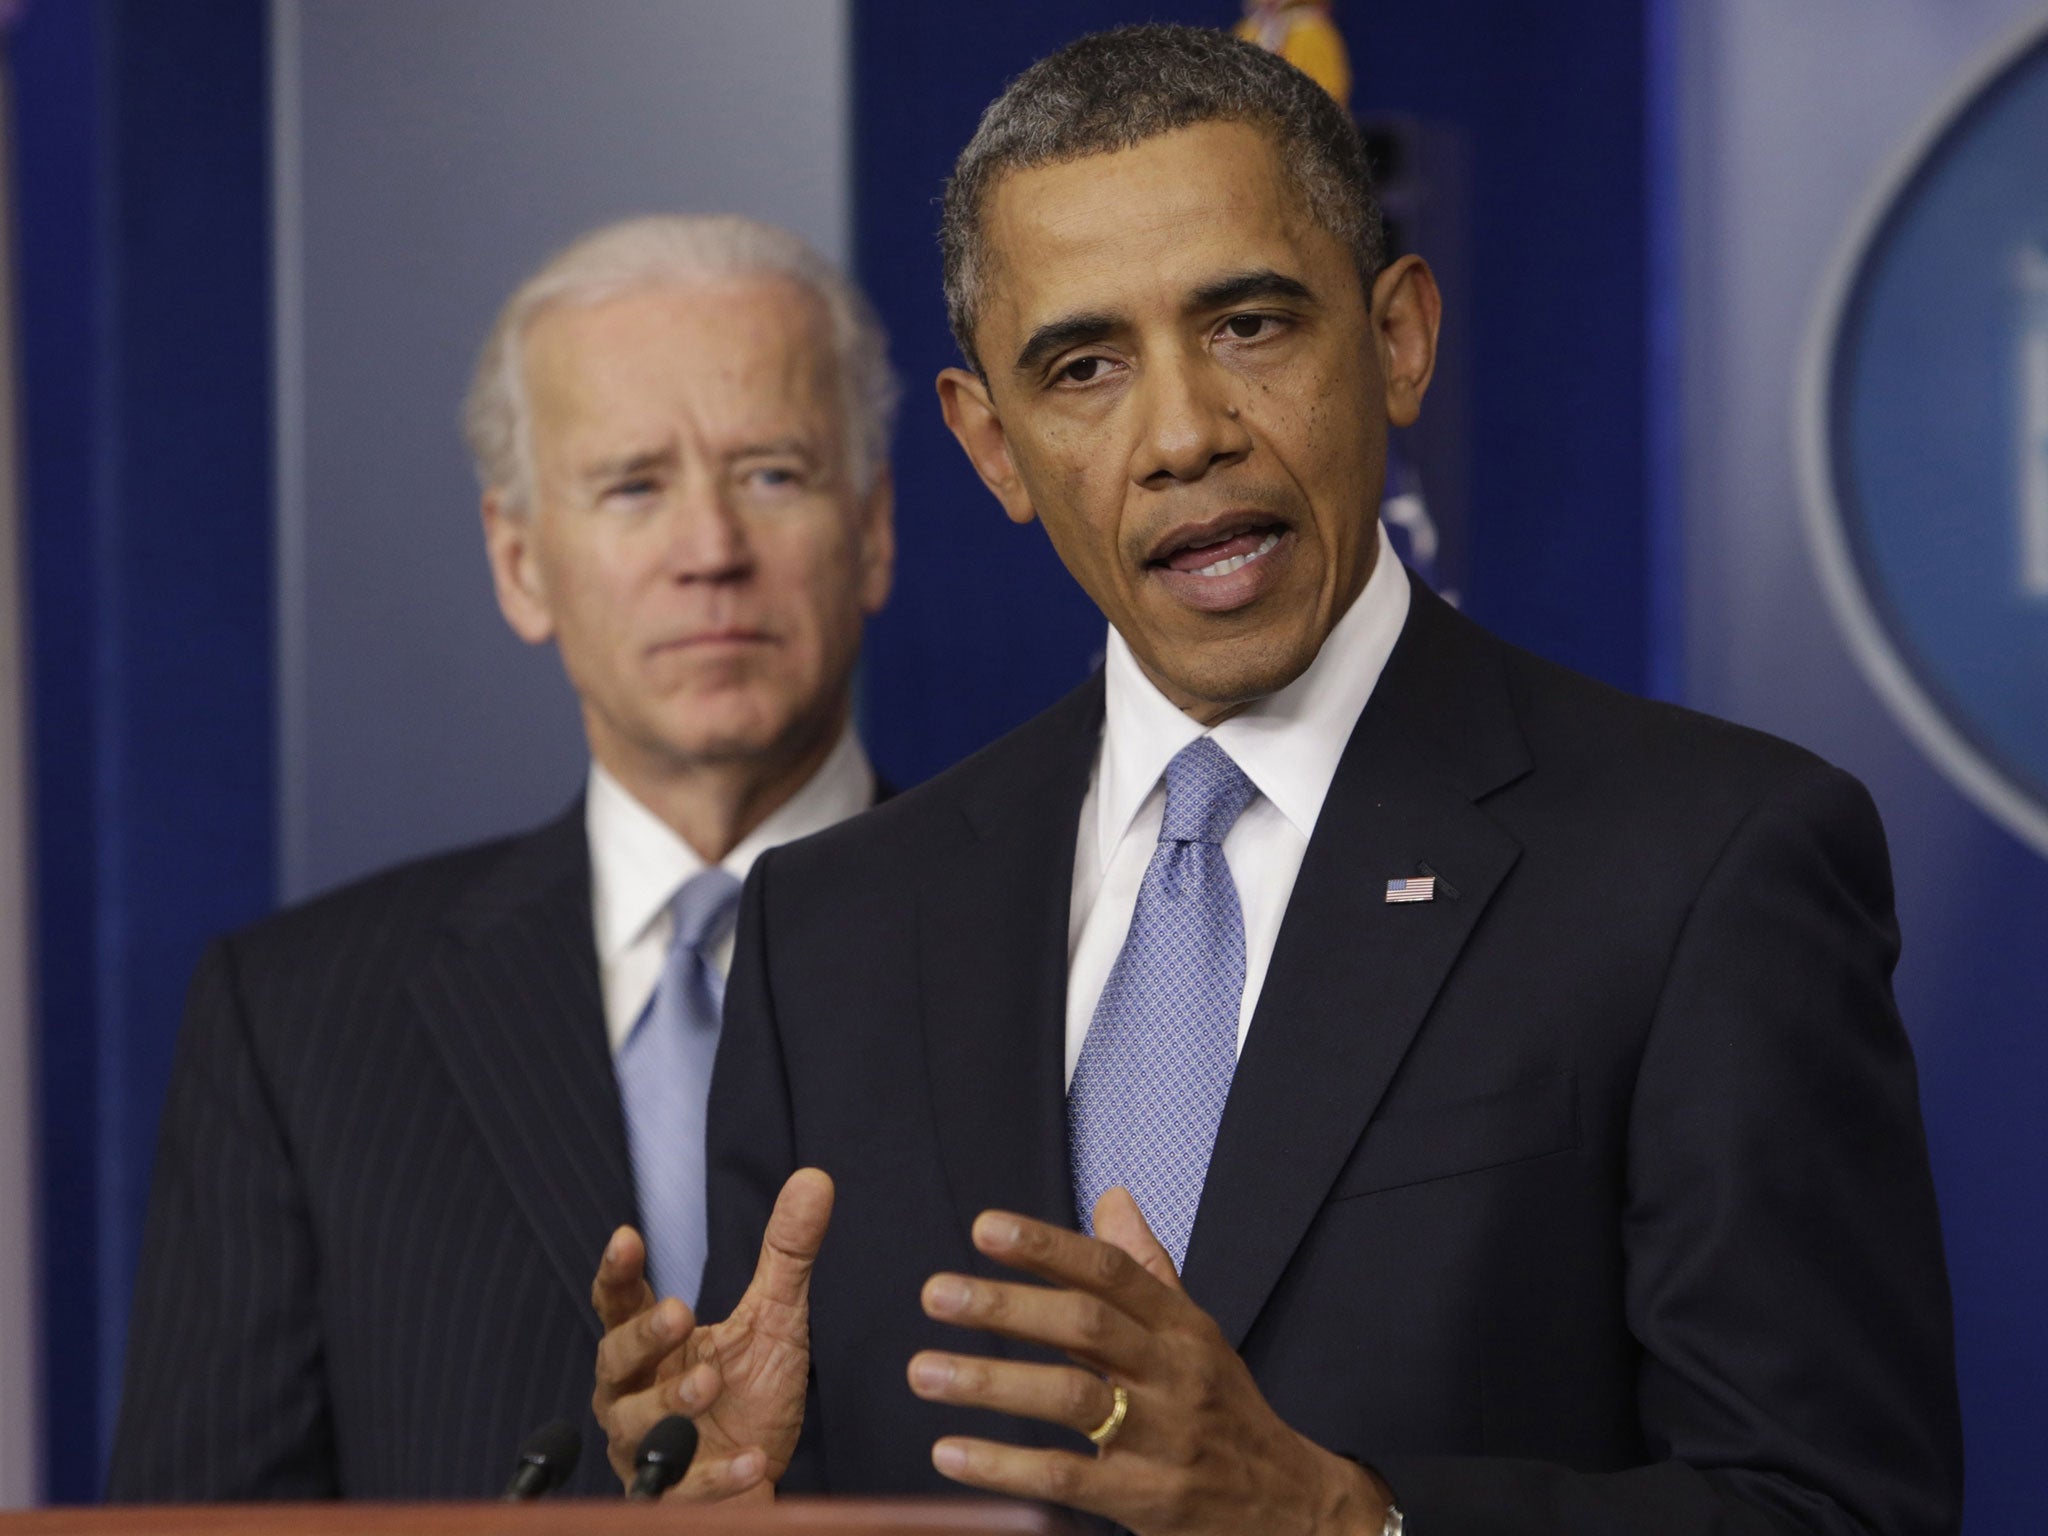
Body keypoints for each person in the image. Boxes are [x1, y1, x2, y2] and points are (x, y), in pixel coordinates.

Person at [591, 27, 1962, 1536]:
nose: (1184, 434)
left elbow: (1839, 1511)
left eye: (1248, 325)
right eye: (1085, 368)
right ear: (992, 445)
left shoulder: (1705, 864)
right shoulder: (834, 926)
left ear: (1398, 340)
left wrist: (1338, 1521)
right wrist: (728, 1495)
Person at [108, 214, 898, 1499]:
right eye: (633, 485)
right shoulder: (300, 1025)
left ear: (870, 532)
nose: (710, 552)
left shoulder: (1047, 946)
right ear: (520, 562)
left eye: (770, 473)